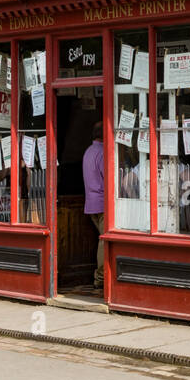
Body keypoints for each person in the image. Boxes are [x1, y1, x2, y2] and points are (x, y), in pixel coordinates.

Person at [82, 121, 106, 288]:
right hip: (103, 203)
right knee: (104, 242)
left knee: (102, 240)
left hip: (91, 203)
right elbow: (109, 178)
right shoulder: (103, 152)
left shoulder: (88, 151)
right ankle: (101, 278)